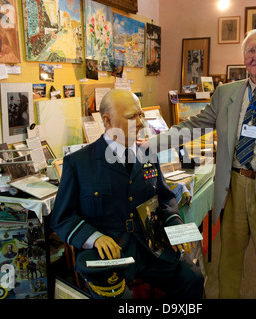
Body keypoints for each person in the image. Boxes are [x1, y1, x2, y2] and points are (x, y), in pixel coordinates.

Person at [144, 28, 256, 298]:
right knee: (228, 265)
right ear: (243, 57)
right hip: (233, 188)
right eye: (251, 50)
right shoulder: (225, 93)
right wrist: (148, 145)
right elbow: (193, 126)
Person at [50, 89, 204, 299]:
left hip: (151, 246)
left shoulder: (147, 153)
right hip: (110, 252)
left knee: (192, 277)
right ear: (108, 120)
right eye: (132, 117)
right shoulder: (79, 163)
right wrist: (94, 238)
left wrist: (175, 225)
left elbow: (164, 197)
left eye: (140, 115)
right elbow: (63, 217)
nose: (140, 122)